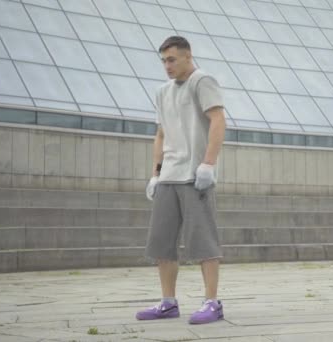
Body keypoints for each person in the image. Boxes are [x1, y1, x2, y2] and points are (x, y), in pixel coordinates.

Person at [136, 36, 226, 325]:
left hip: (195, 175)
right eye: (163, 60)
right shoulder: (162, 92)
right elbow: (161, 135)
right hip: (169, 177)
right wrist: (155, 172)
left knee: (203, 241)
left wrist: (208, 164)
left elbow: (218, 120)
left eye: (172, 59)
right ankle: (168, 302)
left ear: (188, 57)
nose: (167, 66)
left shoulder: (202, 81)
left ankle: (212, 302)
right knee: (161, 242)